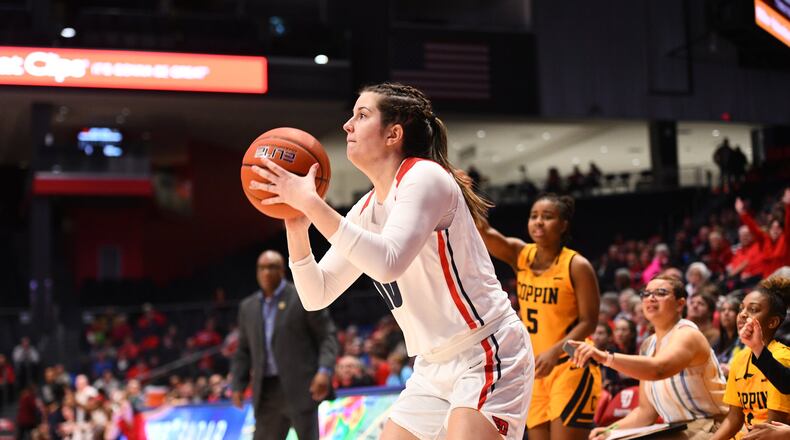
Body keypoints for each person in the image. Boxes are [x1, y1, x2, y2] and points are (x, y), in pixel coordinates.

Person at [250, 83, 533, 440]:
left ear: (393, 134)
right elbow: (316, 294)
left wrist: (313, 205)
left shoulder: (425, 177)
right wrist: (296, 224)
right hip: (431, 365)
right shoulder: (368, 208)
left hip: (486, 350)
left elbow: (388, 262)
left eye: (362, 115)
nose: (347, 126)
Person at [477, 194, 601, 439]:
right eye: (534, 216)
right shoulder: (520, 254)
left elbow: (590, 321)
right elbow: (484, 231)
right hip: (536, 369)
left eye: (548, 217)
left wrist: (556, 351)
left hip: (571, 365)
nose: (538, 222)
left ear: (563, 224)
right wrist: (463, 193)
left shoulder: (577, 265)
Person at [569, 275, 727, 439]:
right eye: (646, 293)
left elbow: (658, 369)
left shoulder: (688, 334)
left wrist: (604, 358)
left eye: (660, 292)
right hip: (677, 430)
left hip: (713, 426)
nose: (651, 298)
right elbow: (645, 412)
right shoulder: (648, 345)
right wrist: (610, 429)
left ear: (680, 304)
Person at [231, 249, 340, 440]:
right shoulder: (248, 307)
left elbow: (327, 336)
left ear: (282, 271)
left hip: (302, 387)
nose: (266, 272)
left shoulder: (302, 296)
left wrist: (324, 371)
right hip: (266, 391)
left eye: (272, 267)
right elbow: (243, 350)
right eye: (262, 268)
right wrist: (238, 384)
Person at [711, 276, 790, 439]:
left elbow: (770, 429)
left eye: (753, 309)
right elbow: (734, 418)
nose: (742, 315)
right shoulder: (740, 358)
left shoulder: (782, 357)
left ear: (772, 322)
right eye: (741, 308)